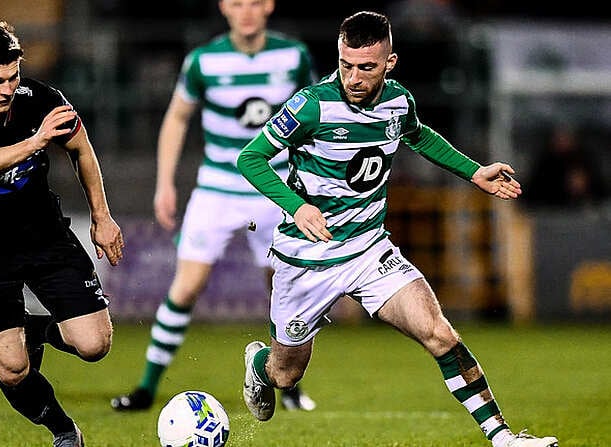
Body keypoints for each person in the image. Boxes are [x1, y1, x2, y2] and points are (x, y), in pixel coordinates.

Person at [237, 11, 558, 447]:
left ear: (389, 62)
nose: (353, 77)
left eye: (366, 67)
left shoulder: (398, 101)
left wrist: (474, 171)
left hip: (370, 251)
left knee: (439, 333)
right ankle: (260, 366)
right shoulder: (311, 104)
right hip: (307, 258)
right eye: (345, 64)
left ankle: (502, 437)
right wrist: (297, 207)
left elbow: (419, 136)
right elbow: (250, 158)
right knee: (286, 374)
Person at [110, 0, 317, 412]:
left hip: (274, 187)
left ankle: (287, 383)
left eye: (255, 3)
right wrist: (164, 184)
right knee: (185, 287)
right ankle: (147, 388)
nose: (247, 11)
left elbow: (316, 114)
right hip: (217, 189)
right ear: (224, 7)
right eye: (238, 3)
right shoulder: (203, 61)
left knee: (283, 289)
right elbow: (176, 118)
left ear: (269, 6)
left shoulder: (293, 56)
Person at [0, 21, 124, 447]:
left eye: (13, 77)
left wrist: (101, 216)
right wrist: (37, 141)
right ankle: (63, 431)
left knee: (94, 345)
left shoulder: (43, 100)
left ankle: (35, 330)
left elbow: (81, 149)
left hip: (43, 235)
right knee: (12, 369)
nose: (5, 89)